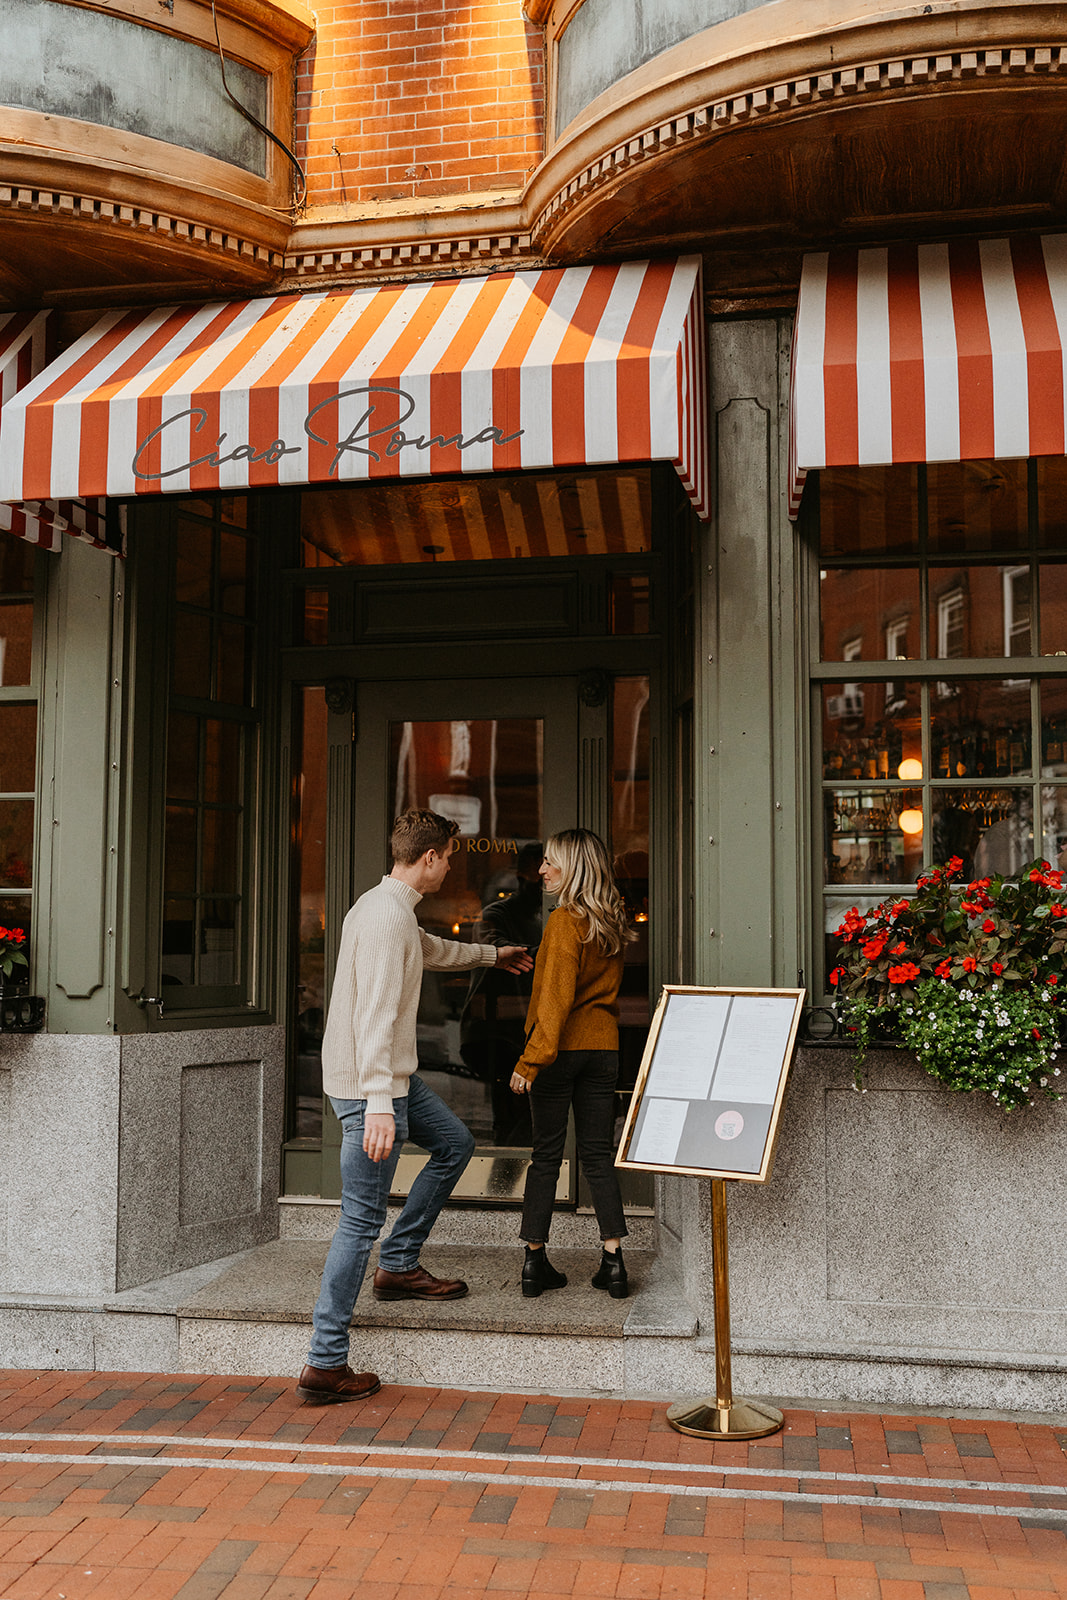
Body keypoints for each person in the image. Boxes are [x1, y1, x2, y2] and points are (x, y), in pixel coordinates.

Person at [296, 807, 533, 1405]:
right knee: (358, 1223)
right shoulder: (382, 918)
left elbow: (428, 950)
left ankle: (398, 1264)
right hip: (372, 1088)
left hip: (390, 1080)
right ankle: (325, 1362)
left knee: (455, 1143)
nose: (451, 865)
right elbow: (376, 1014)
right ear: (429, 857)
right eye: (449, 856)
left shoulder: (389, 908)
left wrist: (491, 955)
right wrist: (379, 1104)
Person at [509, 828, 636, 1300]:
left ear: (573, 867)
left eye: (550, 862)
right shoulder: (609, 919)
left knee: (546, 1156)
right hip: (603, 1050)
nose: (541, 869)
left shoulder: (565, 921)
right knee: (598, 1156)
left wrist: (531, 1060)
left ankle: (534, 1262)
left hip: (559, 1052)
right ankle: (613, 1261)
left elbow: (556, 1001)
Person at [460, 841, 544, 1143]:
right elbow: (491, 948)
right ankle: (506, 1172)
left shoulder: (548, 916)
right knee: (513, 1115)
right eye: (538, 871)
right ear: (523, 875)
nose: (543, 877)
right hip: (499, 1031)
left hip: (531, 1029)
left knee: (528, 1115)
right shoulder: (497, 913)